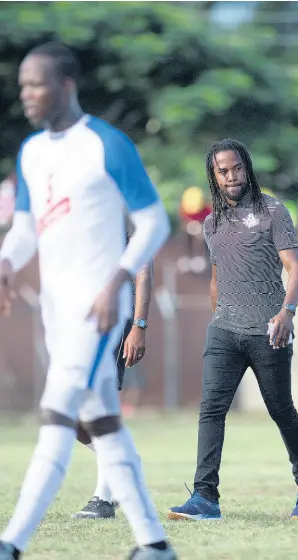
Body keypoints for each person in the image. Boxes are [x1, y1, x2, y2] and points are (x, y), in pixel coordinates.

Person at [0, 42, 177, 559]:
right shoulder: (32, 152)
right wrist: (5, 262)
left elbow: (154, 223)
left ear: (67, 85)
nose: (27, 95)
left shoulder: (107, 144)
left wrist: (116, 281)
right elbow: (26, 230)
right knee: (103, 424)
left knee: (56, 415)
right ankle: (154, 544)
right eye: (23, 86)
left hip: (99, 310)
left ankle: (11, 542)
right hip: (57, 311)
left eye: (37, 84)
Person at [167, 138, 298, 521]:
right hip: (224, 332)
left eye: (236, 167)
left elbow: (296, 268)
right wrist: (216, 320)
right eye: (223, 171)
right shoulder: (212, 223)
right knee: (211, 410)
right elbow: (217, 279)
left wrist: (288, 311)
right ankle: (205, 498)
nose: (231, 176)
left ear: (246, 167)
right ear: (214, 176)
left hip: (268, 330)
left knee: (281, 409)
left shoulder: (273, 211)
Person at [72, 216, 153, 519]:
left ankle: (103, 498)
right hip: (81, 317)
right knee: (68, 414)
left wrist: (138, 324)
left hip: (114, 317)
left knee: (97, 405)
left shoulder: (121, 200)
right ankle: (126, 460)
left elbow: (143, 265)